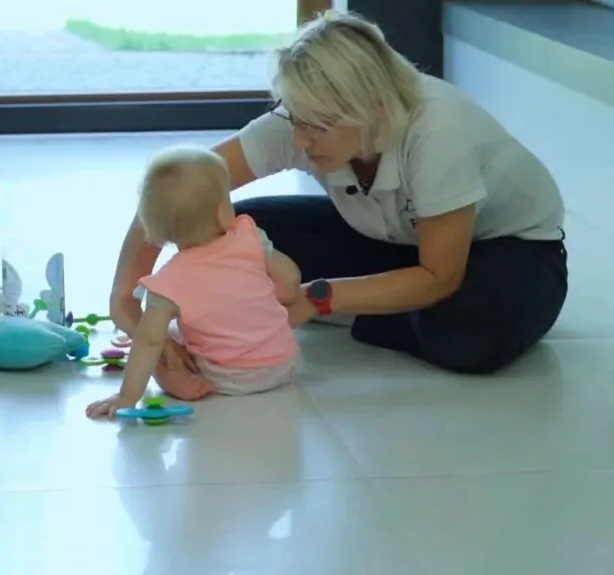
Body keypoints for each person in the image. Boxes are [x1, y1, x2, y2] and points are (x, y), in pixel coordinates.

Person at [109, 9, 568, 376]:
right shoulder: (303, 118)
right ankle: (381, 302)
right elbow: (180, 192)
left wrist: (317, 298)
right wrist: (125, 297)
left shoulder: (437, 130)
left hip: (504, 251)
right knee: (227, 231)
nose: (301, 140)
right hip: (393, 242)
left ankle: (372, 312)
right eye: (296, 120)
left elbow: (440, 276)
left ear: (373, 107)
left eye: (317, 126)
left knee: (472, 335)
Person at [87, 145, 302, 417]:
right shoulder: (249, 236)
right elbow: (290, 277)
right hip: (283, 363)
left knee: (161, 339)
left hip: (225, 377)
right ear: (222, 212)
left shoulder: (166, 285)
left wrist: (126, 396)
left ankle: (183, 383)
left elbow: (149, 342)